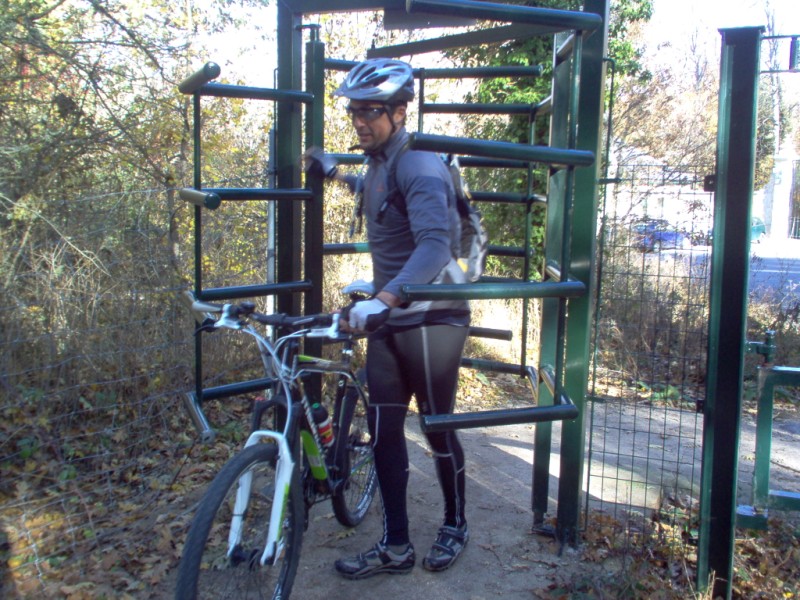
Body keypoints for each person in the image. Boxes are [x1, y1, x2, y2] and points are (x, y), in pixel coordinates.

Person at [305, 58, 471, 579]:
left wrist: (383, 299)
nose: (359, 120)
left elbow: (435, 245)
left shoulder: (418, 163)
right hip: (393, 315)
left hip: (432, 317)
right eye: (354, 111)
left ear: (400, 112)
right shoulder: (381, 161)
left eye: (371, 111)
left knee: (437, 427)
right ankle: (396, 545)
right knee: (383, 432)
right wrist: (336, 174)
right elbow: (379, 196)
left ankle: (455, 524)